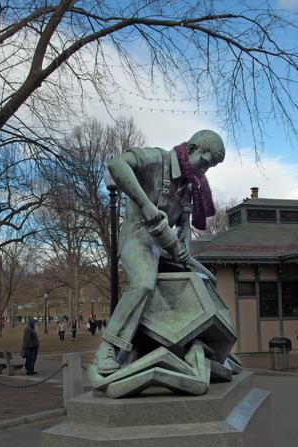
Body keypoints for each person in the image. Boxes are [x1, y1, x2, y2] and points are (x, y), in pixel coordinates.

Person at [95, 129, 225, 374]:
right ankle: (109, 348)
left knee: (205, 280)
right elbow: (116, 164)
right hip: (137, 238)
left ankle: (195, 345)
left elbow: (185, 225)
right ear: (192, 149)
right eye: (204, 163)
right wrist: (145, 204)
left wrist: (184, 248)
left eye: (210, 168)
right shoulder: (156, 159)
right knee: (144, 283)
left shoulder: (189, 185)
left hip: (164, 247)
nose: (204, 171)